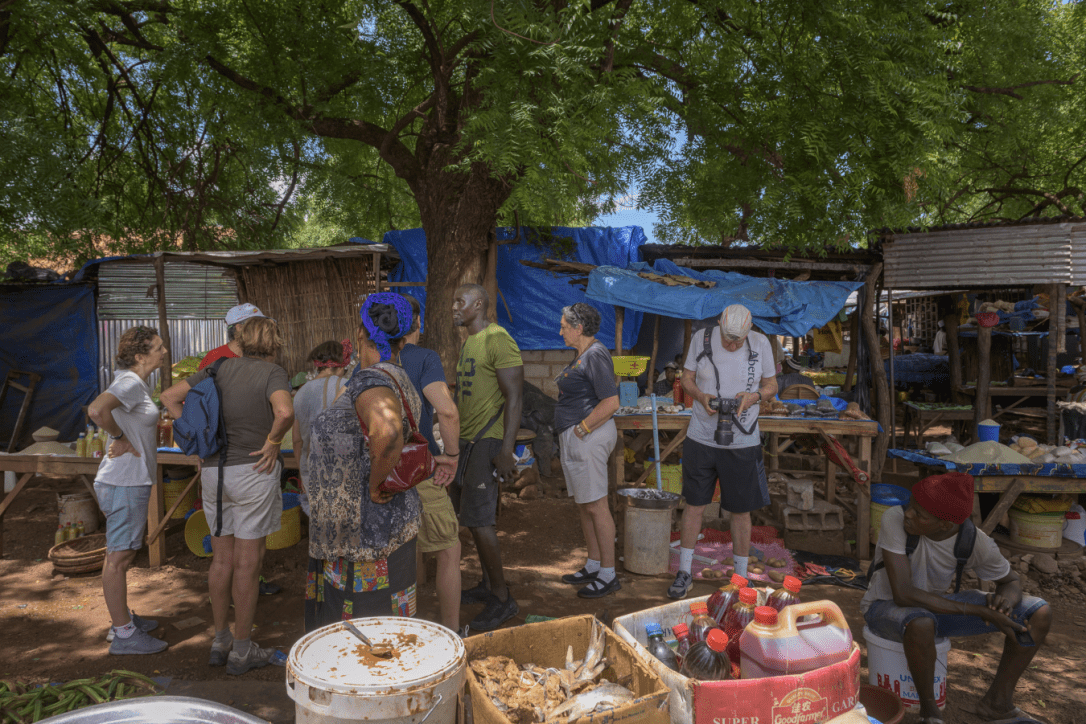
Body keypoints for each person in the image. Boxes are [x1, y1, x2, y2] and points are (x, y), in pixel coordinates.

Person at [303, 293, 457, 630]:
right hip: (377, 527)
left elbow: (386, 433)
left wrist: (375, 485)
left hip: (364, 532)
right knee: (385, 627)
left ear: (361, 333)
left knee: (363, 629)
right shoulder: (396, 374)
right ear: (404, 338)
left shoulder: (371, 378)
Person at [161, 317, 294, 675]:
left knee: (221, 561)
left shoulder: (216, 369)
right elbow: (284, 412)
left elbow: (169, 397)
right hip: (254, 472)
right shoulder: (272, 372)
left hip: (214, 474)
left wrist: (195, 442)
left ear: (241, 338)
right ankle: (241, 650)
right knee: (249, 564)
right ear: (273, 342)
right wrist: (272, 442)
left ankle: (219, 640)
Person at [862, 472, 1051, 724]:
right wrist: (980, 611)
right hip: (885, 607)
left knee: (1038, 612)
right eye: (911, 506)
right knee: (921, 622)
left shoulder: (973, 541)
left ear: (945, 525)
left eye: (920, 514)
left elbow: (1011, 581)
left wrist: (1006, 600)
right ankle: (930, 713)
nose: (909, 514)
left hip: (935, 611)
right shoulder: (894, 518)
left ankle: (997, 703)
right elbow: (903, 593)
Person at [670, 304, 777, 599]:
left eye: (738, 341)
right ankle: (684, 571)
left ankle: (741, 577)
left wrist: (755, 396)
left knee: (741, 510)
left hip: (743, 441)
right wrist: (702, 397)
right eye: (728, 339)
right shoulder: (701, 339)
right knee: (694, 504)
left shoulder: (760, 343)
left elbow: (771, 384)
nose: (732, 345)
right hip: (701, 437)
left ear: (749, 329)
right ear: (719, 323)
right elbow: (687, 378)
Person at [88, 326, 169, 655]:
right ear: (140, 356)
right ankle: (123, 634)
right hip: (124, 481)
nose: (164, 351)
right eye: (158, 347)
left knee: (121, 555)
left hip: (127, 480)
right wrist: (119, 437)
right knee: (119, 559)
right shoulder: (131, 381)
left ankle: (123, 620)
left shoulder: (136, 382)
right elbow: (96, 410)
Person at [452, 283, 524, 631]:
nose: (454, 307)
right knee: (471, 519)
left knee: (481, 521)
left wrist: (506, 449)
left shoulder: (498, 338)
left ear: (478, 304)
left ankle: (501, 598)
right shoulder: (469, 342)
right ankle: (485, 583)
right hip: (468, 441)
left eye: (460, 301)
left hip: (489, 440)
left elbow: (514, 397)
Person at [398, 295, 463, 631]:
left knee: (399, 548)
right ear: (417, 323)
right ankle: (451, 633)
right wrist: (450, 456)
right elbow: (447, 410)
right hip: (419, 466)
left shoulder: (367, 362)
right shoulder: (424, 358)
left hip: (379, 471)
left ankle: (401, 627)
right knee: (448, 549)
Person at [554, 304, 621, 598]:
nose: (560, 331)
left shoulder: (595, 355)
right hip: (579, 435)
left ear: (578, 328)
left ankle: (608, 574)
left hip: (588, 436)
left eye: (564, 326)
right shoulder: (584, 355)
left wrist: (582, 428)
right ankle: (594, 564)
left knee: (596, 504)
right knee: (585, 503)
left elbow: (611, 402)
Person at [291, 340, 352, 517]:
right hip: (345, 467)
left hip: (312, 467)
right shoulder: (347, 386)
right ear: (341, 365)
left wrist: (303, 472)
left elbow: (297, 440)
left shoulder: (301, 393)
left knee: (322, 523)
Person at [197, 303, 268, 370]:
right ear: (239, 327)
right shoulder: (214, 358)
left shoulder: (264, 355)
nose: (263, 329)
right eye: (258, 325)